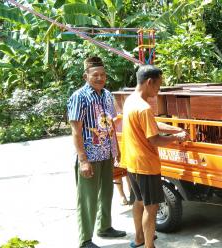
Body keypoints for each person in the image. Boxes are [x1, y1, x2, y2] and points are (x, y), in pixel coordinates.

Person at [120, 65, 187, 248]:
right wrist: (176, 137)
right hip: (146, 165)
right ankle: (149, 246)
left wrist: (174, 128)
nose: (159, 89)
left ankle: (139, 238)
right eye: (158, 85)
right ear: (149, 82)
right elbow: (155, 140)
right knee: (151, 207)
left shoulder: (130, 101)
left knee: (139, 201)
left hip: (132, 162)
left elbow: (151, 123)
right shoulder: (144, 108)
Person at [67, 56, 126, 248]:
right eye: (95, 75)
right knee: (88, 198)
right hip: (90, 156)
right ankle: (85, 240)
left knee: (107, 193)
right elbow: (76, 131)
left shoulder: (108, 95)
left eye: (102, 74)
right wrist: (83, 160)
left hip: (107, 153)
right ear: (86, 76)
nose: (100, 78)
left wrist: (116, 148)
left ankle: (105, 227)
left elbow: (111, 124)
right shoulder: (79, 97)